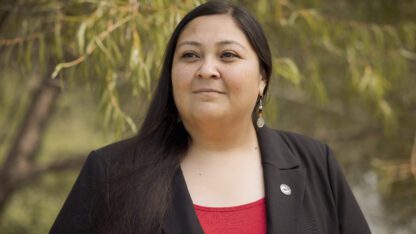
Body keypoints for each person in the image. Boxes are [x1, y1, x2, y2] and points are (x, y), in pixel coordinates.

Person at [50, 1, 371, 233]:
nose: (206, 69)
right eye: (190, 55)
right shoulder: (111, 173)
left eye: (228, 55)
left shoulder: (316, 163)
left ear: (262, 78)